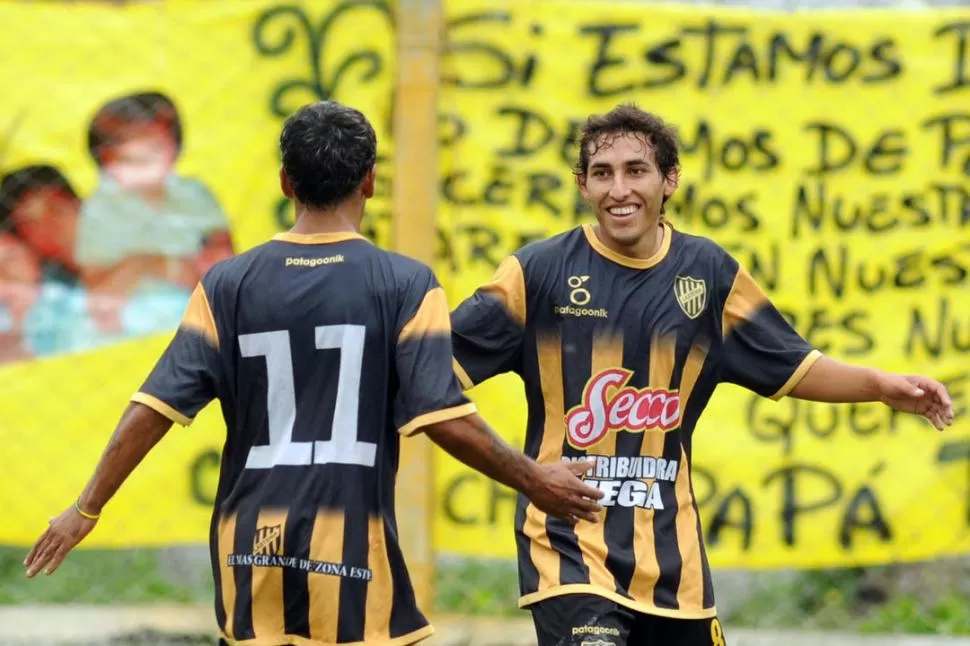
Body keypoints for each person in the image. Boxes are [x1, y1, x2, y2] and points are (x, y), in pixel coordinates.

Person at [23, 100, 604, 646]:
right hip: (350, 546)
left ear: (285, 183)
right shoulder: (404, 284)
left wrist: (85, 509)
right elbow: (441, 416)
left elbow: (153, 406)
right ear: (369, 181)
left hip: (249, 549)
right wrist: (534, 480)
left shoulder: (228, 284)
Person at [448, 103, 954, 646]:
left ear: (670, 180)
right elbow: (434, 373)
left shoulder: (709, 273)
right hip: (571, 550)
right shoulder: (539, 272)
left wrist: (881, 386)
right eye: (602, 173)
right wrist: (525, 473)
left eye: (635, 171)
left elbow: (793, 364)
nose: (619, 189)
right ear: (582, 186)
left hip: (676, 565)